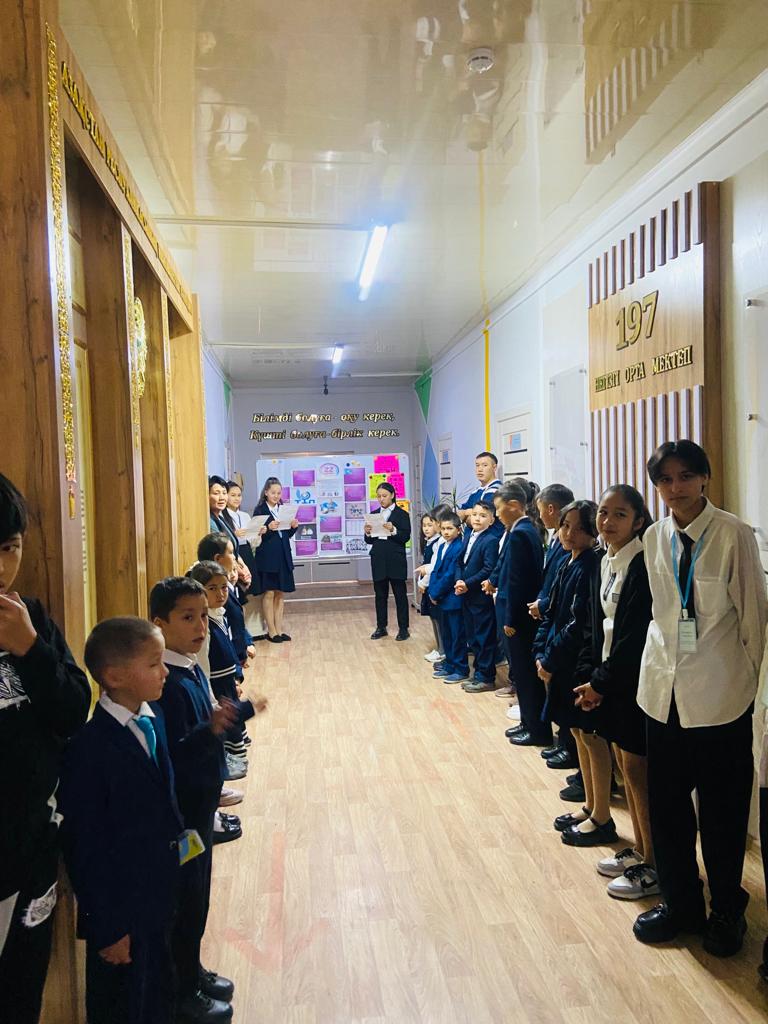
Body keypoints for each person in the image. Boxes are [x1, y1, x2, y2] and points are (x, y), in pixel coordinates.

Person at [632, 440, 767, 957]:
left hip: (720, 698)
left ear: (705, 478)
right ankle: (681, 903)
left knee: (722, 813)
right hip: (662, 694)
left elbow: (754, 622)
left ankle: (728, 909)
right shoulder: (654, 536)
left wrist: (752, 696)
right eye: (665, 480)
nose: (676, 488)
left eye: (686, 476)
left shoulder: (734, 534)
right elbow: (661, 613)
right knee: (667, 810)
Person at [59, 618, 183, 1024]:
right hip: (121, 910)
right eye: (153, 664)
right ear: (114, 677)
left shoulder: (152, 716)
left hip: (158, 893)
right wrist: (107, 928)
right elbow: (85, 847)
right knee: (122, 1003)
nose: (165, 672)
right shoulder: (88, 749)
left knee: (157, 991)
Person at [0, 473, 91, 1024]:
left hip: (34, 848)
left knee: (22, 990)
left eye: (10, 549)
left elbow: (74, 708)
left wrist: (31, 648)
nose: (1, 566)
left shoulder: (30, 616)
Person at [150, 576, 238, 1023]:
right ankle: (182, 992)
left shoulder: (188, 667)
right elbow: (177, 754)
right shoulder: (166, 684)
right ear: (159, 623)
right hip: (184, 814)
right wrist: (213, 728)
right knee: (184, 903)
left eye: (203, 616)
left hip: (202, 808)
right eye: (187, 617)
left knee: (199, 896)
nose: (200, 626)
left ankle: (193, 969)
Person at [572, 485, 656, 895]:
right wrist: (591, 677)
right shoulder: (606, 559)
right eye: (603, 513)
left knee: (639, 773)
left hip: (633, 682)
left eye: (620, 514)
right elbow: (597, 625)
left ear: (638, 521)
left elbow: (633, 636)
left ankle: (653, 862)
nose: (607, 521)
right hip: (608, 680)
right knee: (626, 766)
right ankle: (640, 850)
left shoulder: (642, 563)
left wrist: (600, 683)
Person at [532, 502, 600, 790]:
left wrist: (550, 659)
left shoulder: (590, 565)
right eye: (565, 526)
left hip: (573, 658)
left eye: (580, 528)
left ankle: (591, 784)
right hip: (556, 654)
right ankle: (583, 776)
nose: (570, 533)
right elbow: (551, 612)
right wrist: (541, 652)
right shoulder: (567, 561)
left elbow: (576, 622)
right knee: (571, 725)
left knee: (583, 727)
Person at [188, 562, 252, 819]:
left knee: (229, 733)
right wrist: (210, 697)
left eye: (224, 587)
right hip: (213, 689)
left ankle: (220, 783)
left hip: (225, 681)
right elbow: (203, 665)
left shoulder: (219, 614)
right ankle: (217, 786)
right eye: (212, 588)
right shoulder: (205, 626)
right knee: (219, 738)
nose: (220, 593)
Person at [487, 481, 547, 743]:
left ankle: (536, 729)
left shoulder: (522, 532)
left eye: (499, 508)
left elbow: (518, 581)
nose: (497, 514)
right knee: (521, 674)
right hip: (515, 612)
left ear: (513, 505)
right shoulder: (521, 529)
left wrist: (511, 619)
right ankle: (527, 723)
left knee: (526, 674)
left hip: (518, 617)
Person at [528, 484, 578, 778]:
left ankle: (570, 748)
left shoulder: (577, 551)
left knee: (567, 692)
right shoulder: (556, 538)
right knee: (557, 691)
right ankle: (565, 742)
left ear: (550, 508)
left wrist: (544, 603)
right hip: (549, 616)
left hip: (562, 626)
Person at [455, 501, 499, 692]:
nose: (477, 519)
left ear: (492, 520)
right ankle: (478, 674)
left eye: (483, 515)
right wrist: (459, 580)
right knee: (472, 637)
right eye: (474, 514)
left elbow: (488, 568)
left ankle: (486, 677)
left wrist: (468, 583)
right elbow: (460, 561)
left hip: (480, 596)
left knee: (484, 638)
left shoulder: (491, 540)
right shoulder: (468, 535)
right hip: (466, 594)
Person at [252, 477, 299, 643]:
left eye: (279, 493)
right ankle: (271, 631)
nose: (276, 496)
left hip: (283, 556)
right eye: (273, 492)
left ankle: (279, 629)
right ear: (266, 492)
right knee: (269, 592)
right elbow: (255, 535)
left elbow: (285, 534)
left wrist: (293, 527)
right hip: (267, 557)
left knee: (280, 593)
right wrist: (268, 528)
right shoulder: (260, 510)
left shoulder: (283, 509)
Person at [364, 482, 412, 641]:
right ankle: (381, 627)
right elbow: (369, 541)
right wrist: (367, 533)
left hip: (396, 559)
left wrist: (393, 530)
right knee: (380, 595)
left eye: (384, 496)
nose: (381, 499)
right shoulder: (373, 514)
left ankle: (403, 628)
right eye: (378, 496)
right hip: (378, 559)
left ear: (392, 495)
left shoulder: (402, 514)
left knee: (400, 595)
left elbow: (405, 537)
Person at [428, 513, 468, 683]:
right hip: (441, 598)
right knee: (447, 635)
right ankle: (450, 664)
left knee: (457, 635)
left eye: (450, 528)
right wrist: (432, 591)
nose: (446, 532)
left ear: (458, 530)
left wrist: (436, 592)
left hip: (452, 598)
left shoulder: (458, 547)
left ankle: (461, 668)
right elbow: (436, 570)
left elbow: (450, 574)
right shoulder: (442, 545)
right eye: (443, 528)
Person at [209, 476, 251, 593]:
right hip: (219, 574)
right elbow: (223, 550)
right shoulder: (209, 520)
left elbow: (233, 549)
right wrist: (238, 569)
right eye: (216, 493)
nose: (221, 497)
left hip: (231, 571)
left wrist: (244, 567)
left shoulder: (221, 518)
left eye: (224, 493)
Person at [416, 512, 444, 664]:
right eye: (424, 525)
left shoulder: (438, 543)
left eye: (429, 525)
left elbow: (433, 567)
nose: (426, 528)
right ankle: (439, 648)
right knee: (433, 618)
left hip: (433, 586)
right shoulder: (428, 542)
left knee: (438, 619)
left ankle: (442, 650)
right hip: (428, 586)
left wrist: (423, 583)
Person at [457, 451, 503, 534]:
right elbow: (460, 513)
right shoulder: (476, 491)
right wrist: (466, 513)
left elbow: (480, 523)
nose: (480, 469)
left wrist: (466, 515)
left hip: (489, 537)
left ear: (494, 468)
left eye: (485, 465)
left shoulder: (496, 491)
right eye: (477, 465)